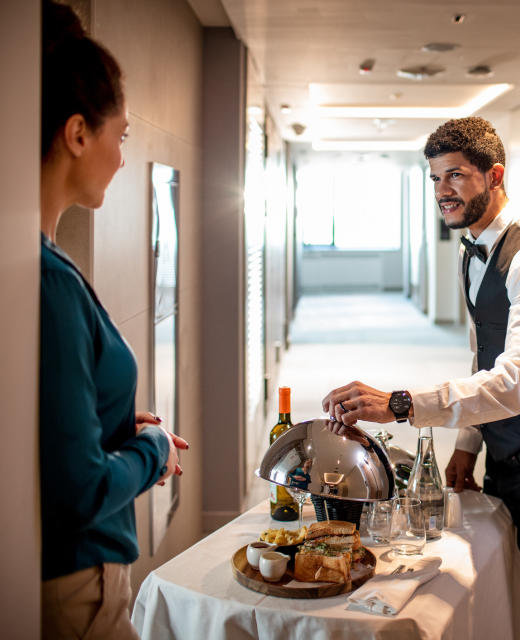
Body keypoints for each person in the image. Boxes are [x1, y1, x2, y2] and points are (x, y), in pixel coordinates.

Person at [322, 116, 520, 638]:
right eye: (434, 178)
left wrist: (403, 404)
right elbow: (484, 357)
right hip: (506, 459)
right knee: (508, 599)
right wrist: (468, 444)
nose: (442, 191)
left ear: (494, 175)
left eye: (455, 176)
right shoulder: (471, 252)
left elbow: (518, 381)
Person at [39, 2, 188, 638]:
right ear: (78, 134)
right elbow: (82, 490)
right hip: (78, 583)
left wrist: (112, 422)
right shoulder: (46, 280)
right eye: (119, 135)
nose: (123, 157)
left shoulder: (46, 261)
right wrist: (151, 449)